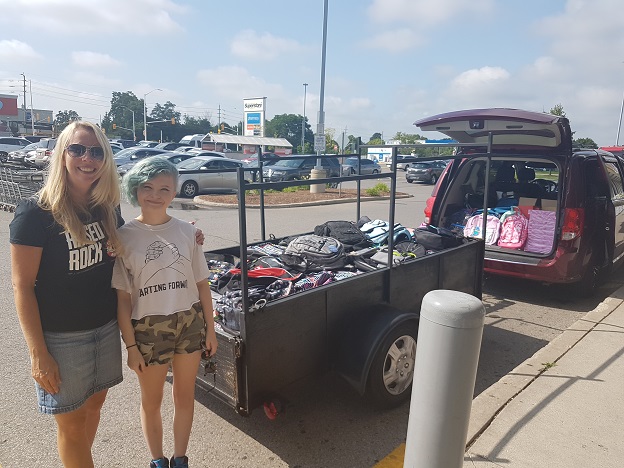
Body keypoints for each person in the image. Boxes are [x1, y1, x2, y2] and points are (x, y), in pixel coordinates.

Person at [10, 121, 125, 468]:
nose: (86, 158)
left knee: (94, 409)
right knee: (71, 427)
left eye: (96, 151)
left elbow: (130, 247)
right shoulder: (35, 212)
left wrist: (181, 235)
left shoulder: (106, 206)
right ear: (62, 154)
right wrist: (38, 352)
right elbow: (22, 286)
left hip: (105, 329)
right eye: (77, 149)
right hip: (61, 339)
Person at [112, 156, 217, 468]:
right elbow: (122, 299)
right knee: (152, 400)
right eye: (147, 187)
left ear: (174, 193)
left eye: (164, 188)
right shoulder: (124, 237)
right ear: (135, 190)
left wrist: (210, 329)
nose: (155, 194)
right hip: (147, 329)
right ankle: (157, 460)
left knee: (185, 396)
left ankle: (180, 458)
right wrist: (131, 346)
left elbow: (202, 285)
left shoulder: (188, 232)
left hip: (189, 322)